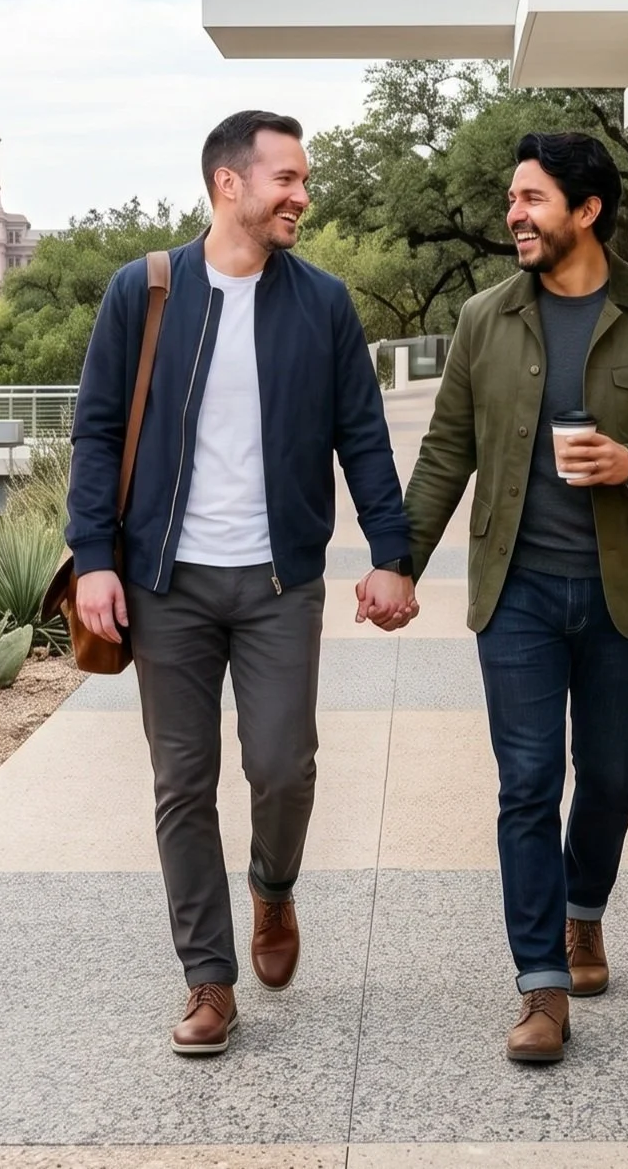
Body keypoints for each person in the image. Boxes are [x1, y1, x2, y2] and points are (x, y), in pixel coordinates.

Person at [375, 131, 628, 1063]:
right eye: (510, 199)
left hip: (626, 594)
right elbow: (447, 449)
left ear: (586, 210)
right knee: (528, 783)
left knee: (608, 775)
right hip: (519, 593)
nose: (513, 216)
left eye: (530, 199)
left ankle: (583, 913)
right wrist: (399, 562)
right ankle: (539, 984)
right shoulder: (483, 320)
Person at [67, 110, 416, 1056]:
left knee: (281, 764)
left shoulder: (323, 304)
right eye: (287, 180)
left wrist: (393, 552)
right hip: (165, 583)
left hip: (277, 583)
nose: (302, 195)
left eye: (302, 180)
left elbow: (364, 437)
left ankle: (273, 887)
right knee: (182, 783)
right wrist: (94, 557)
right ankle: (207, 980)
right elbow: (97, 432)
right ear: (230, 184)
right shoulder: (143, 292)